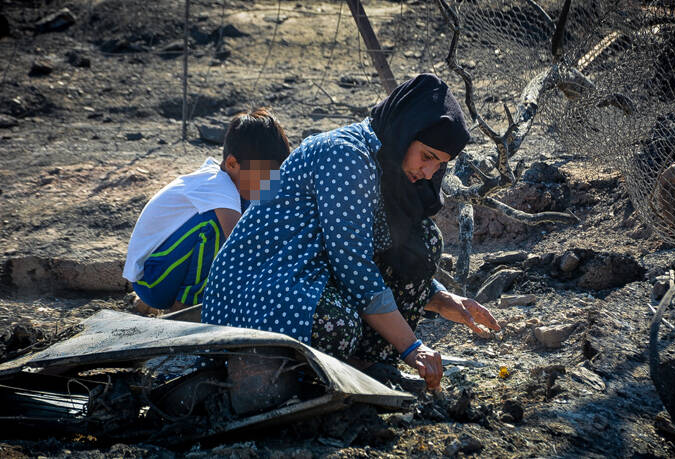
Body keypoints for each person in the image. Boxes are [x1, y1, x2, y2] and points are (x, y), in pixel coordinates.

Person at [202, 74, 499, 390]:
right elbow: (353, 265)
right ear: (403, 132)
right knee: (337, 323)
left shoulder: (385, 167)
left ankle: (367, 366)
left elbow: (388, 256)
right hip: (253, 289)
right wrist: (412, 347)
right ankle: (305, 378)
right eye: (427, 156)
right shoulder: (347, 155)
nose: (428, 173)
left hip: (303, 275)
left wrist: (442, 298)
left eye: (439, 165)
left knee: (423, 240)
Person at [123, 108, 289, 314]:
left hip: (161, 275)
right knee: (216, 227)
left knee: (248, 216)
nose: (269, 186)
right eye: (264, 178)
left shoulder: (236, 186)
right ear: (232, 163)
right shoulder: (217, 186)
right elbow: (241, 244)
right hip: (152, 281)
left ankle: (163, 302)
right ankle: (184, 309)